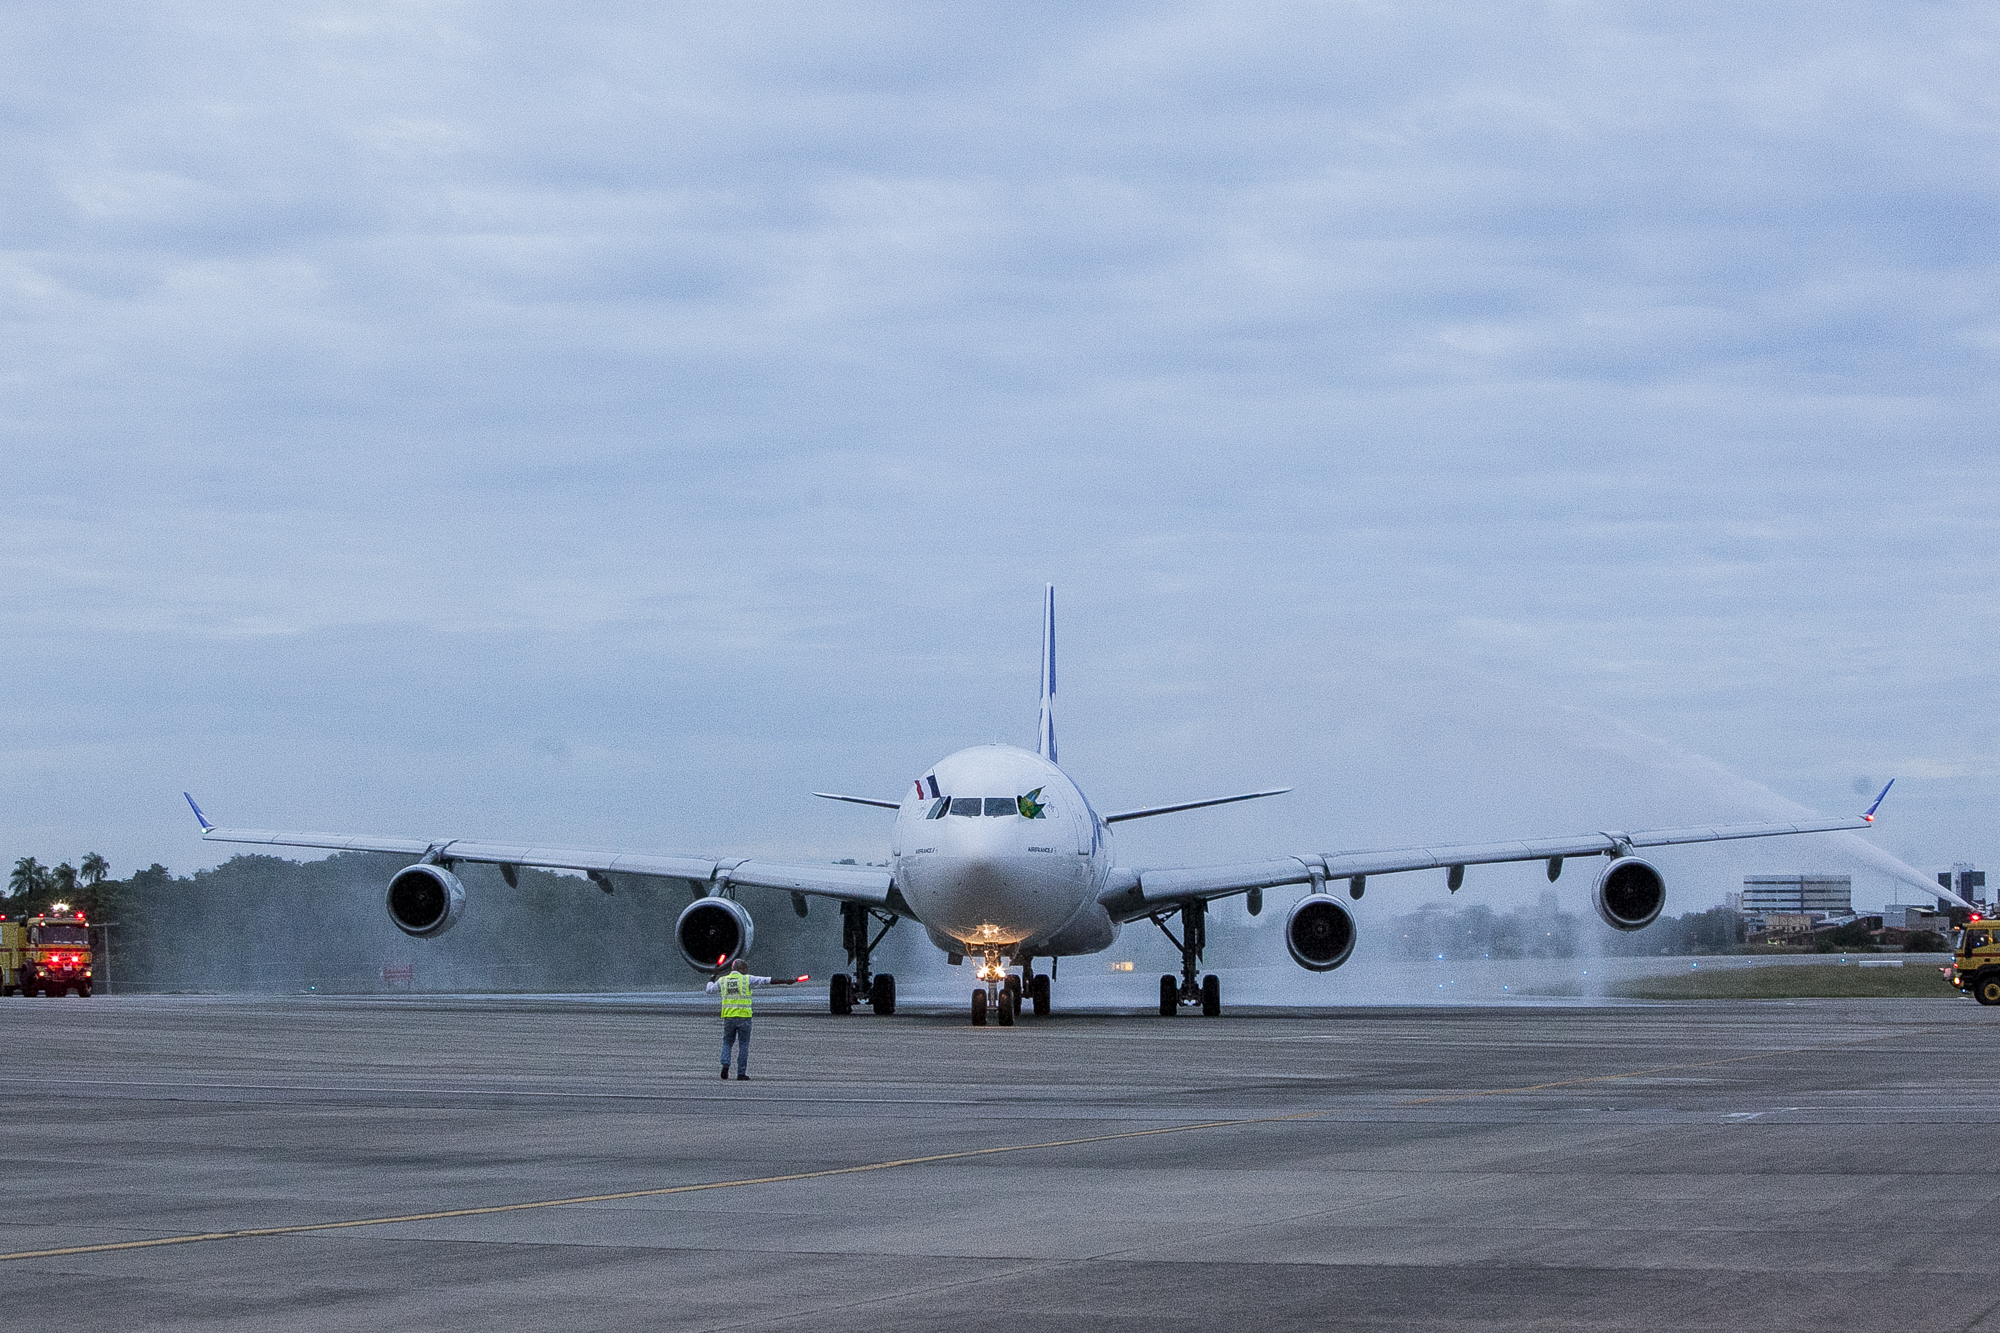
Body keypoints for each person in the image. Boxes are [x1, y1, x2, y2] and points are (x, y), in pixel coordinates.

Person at [704, 960, 788, 1080]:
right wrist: (786, 981)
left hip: (729, 1017)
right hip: (744, 1017)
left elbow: (709, 989)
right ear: (740, 969)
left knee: (727, 1043)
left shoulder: (723, 980)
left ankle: (725, 1063)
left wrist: (714, 975)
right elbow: (766, 981)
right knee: (743, 1046)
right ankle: (741, 1073)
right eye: (745, 969)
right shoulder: (746, 979)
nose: (746, 971)